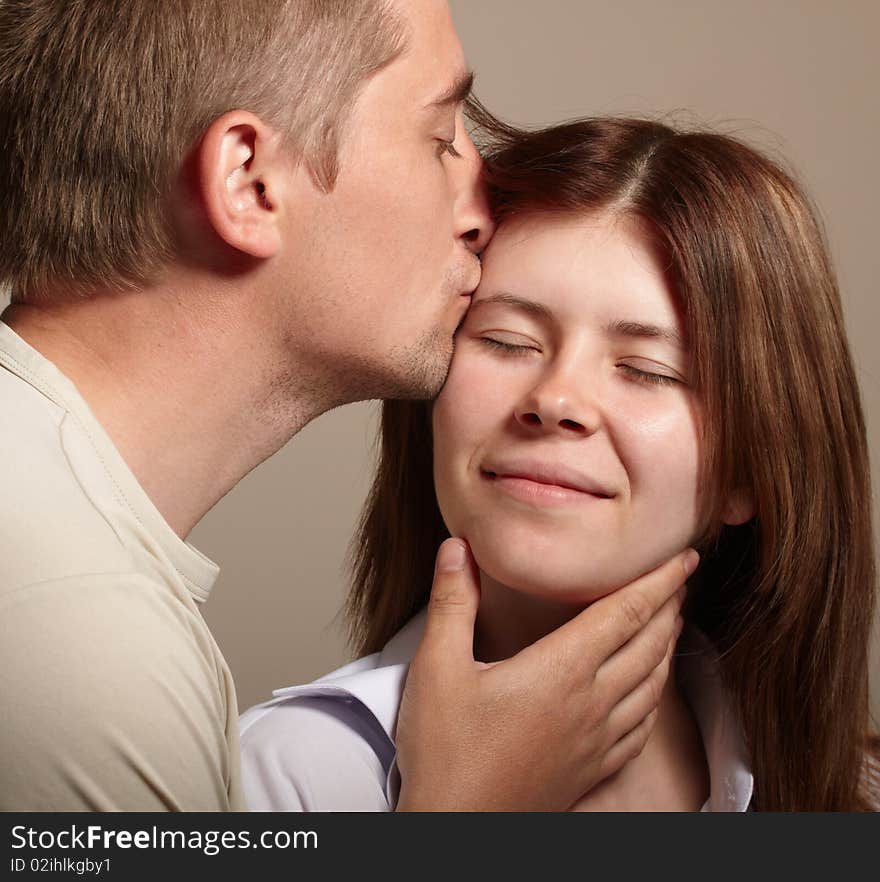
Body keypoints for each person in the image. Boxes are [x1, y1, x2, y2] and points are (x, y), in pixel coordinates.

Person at [0, 1, 688, 811]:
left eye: (644, 366)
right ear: (250, 182)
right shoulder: (82, 656)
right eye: (439, 139)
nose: (479, 211)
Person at [240, 114, 880, 811]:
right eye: (509, 341)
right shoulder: (280, 777)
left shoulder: (853, 790)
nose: (555, 400)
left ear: (749, 471)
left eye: (647, 369)